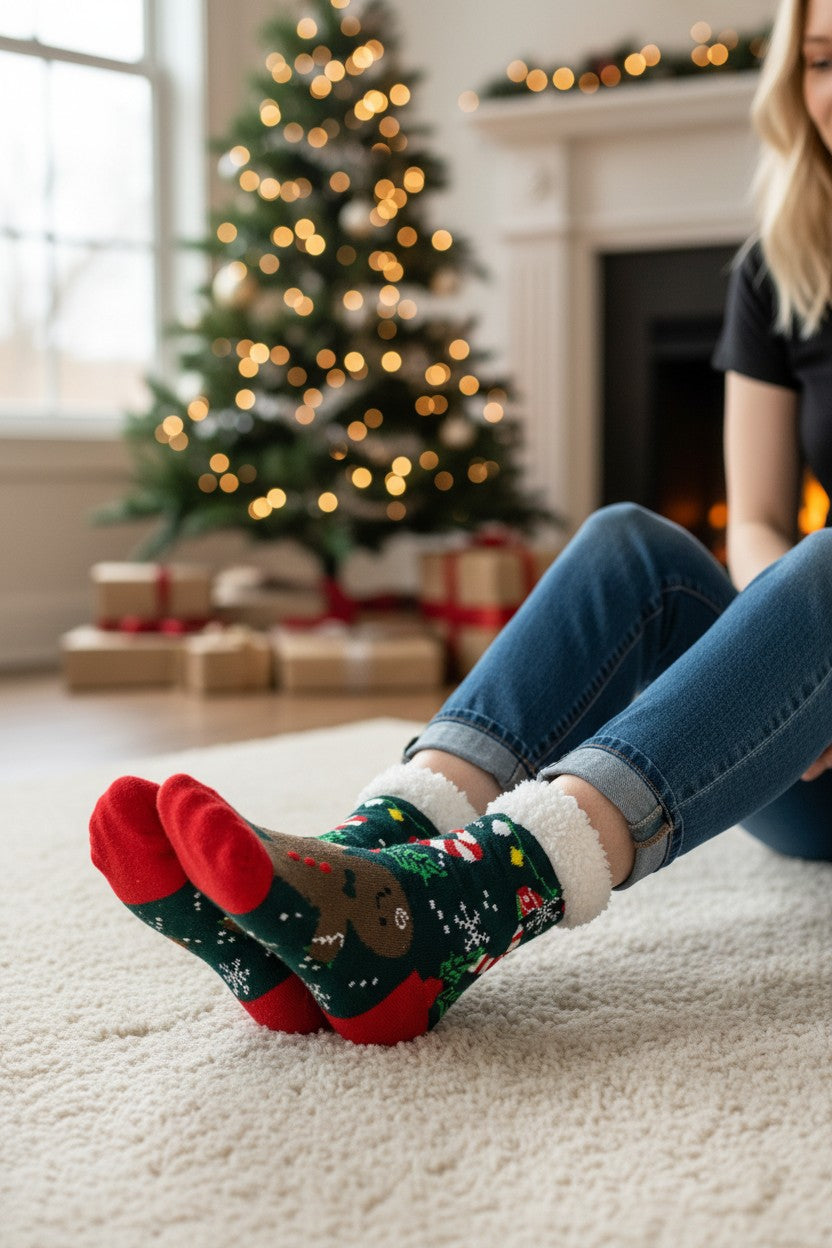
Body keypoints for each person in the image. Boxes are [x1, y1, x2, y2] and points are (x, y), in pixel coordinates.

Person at [90, 0, 832, 1046]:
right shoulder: (783, 267)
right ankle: (369, 875)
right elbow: (753, 517)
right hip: (816, 765)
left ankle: (465, 905)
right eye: (819, 60)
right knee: (633, 543)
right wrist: (795, 671)